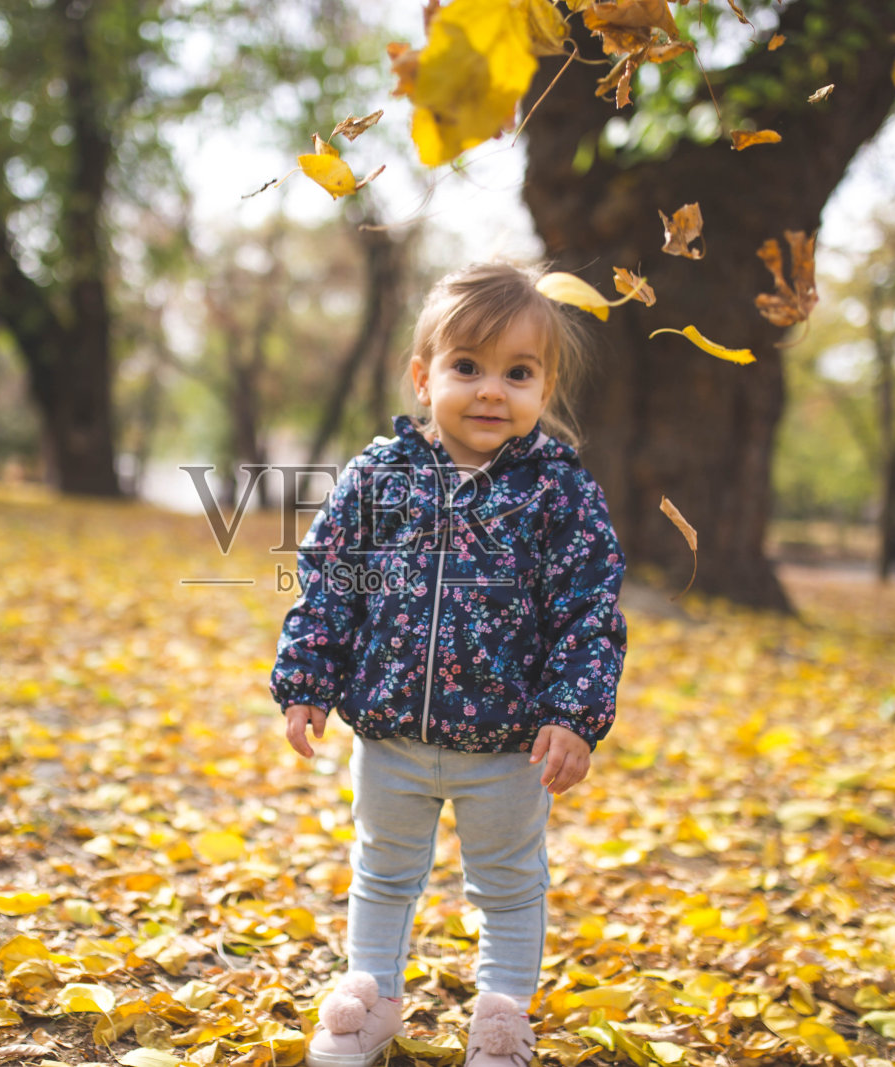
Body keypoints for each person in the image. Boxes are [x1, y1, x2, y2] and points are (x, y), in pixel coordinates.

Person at [271, 263, 627, 1067]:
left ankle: (501, 1016)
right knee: (383, 870)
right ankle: (372, 995)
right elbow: (333, 577)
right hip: (391, 733)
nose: (492, 390)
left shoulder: (559, 491)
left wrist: (573, 711)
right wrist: (308, 679)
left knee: (505, 881)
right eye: (468, 367)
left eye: (519, 372)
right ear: (424, 375)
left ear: (546, 385)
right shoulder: (380, 476)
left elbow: (588, 608)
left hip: (507, 747)